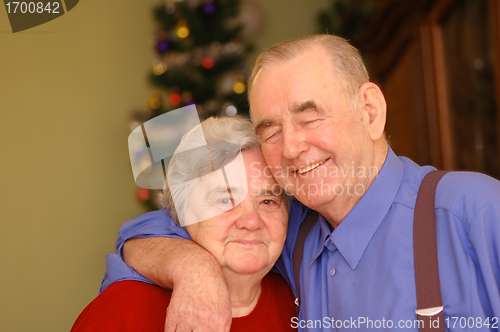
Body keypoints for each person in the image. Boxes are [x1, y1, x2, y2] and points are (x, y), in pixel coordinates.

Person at [104, 34, 500, 331]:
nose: (292, 147)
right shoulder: (289, 231)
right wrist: (193, 267)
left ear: (371, 111)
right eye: (270, 130)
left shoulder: (474, 213)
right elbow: (151, 228)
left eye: (309, 118)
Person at [71, 116, 297, 332]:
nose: (251, 221)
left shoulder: (299, 300)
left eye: (268, 201)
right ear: (180, 214)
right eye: (225, 200)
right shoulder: (128, 307)